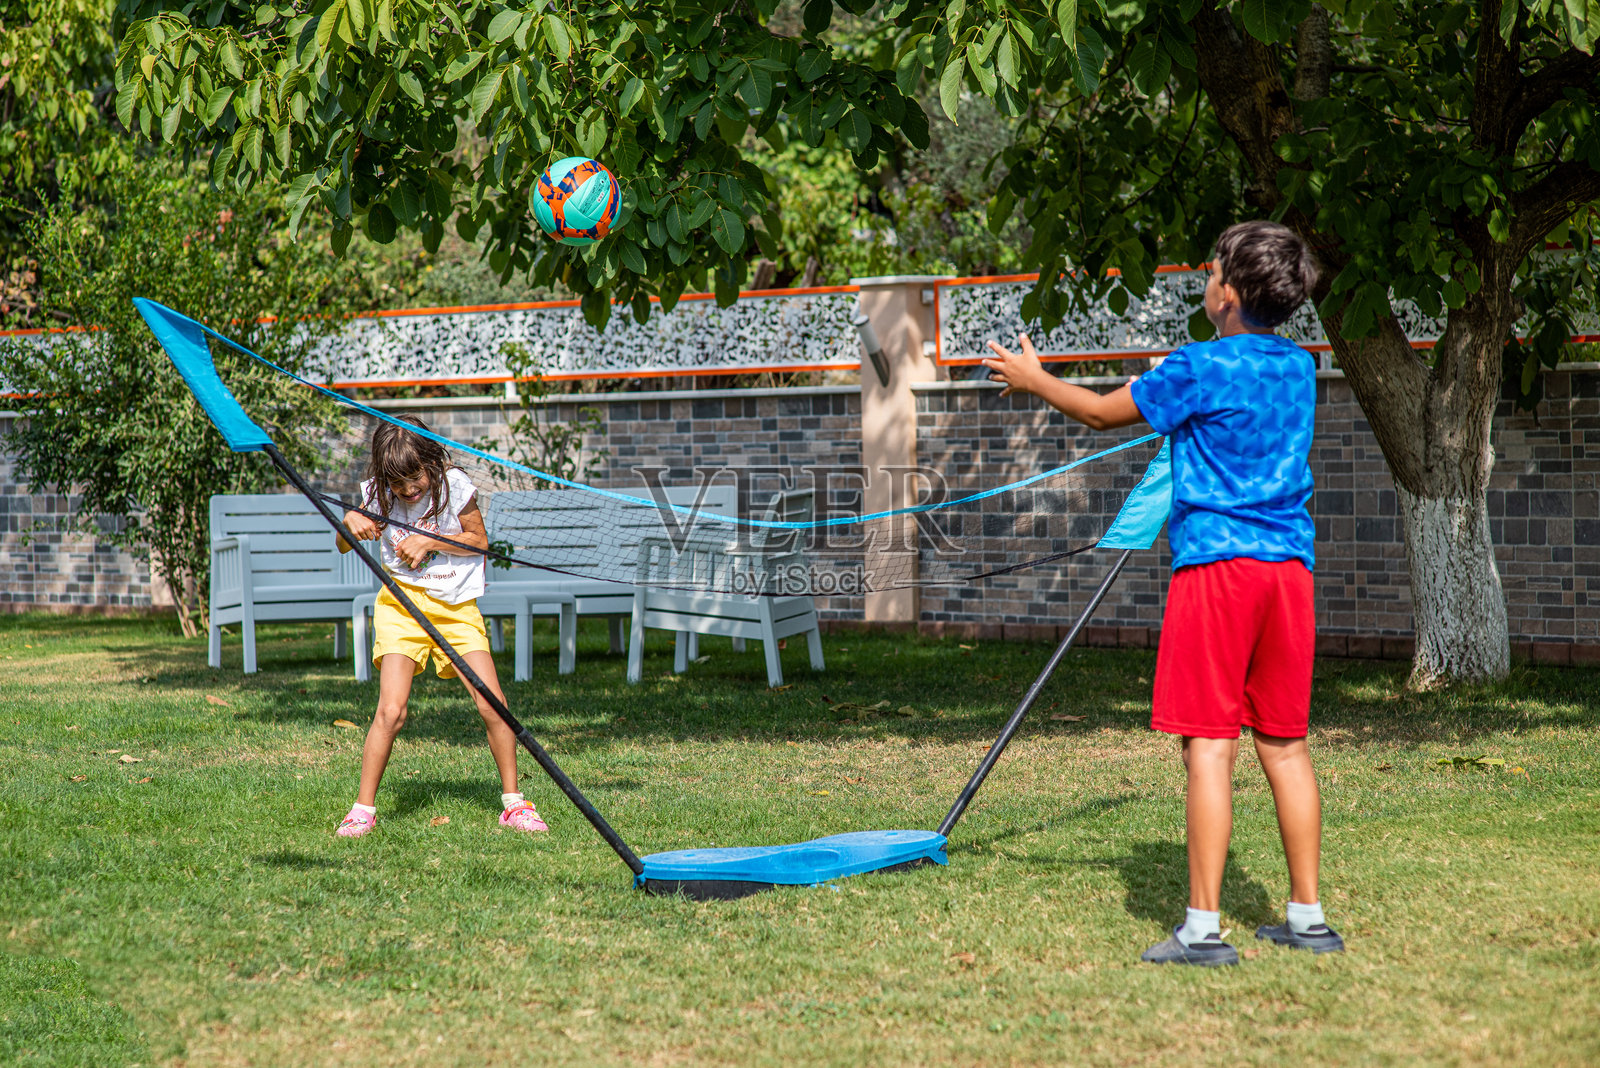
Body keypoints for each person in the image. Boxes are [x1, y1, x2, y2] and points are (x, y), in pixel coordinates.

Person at [982, 221, 1342, 966]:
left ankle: (1203, 931)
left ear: (1230, 295)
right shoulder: (1300, 367)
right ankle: (1308, 919)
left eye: (1210, 272)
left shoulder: (1198, 368)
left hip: (1217, 572)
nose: (1203, 281)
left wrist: (1033, 379)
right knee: (1285, 744)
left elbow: (1097, 412)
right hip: (1289, 574)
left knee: (1209, 747)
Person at [332, 414, 548, 839]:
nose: (409, 490)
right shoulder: (378, 493)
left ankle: (514, 803)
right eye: (399, 484)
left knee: (493, 704)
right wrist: (348, 524)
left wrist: (429, 540)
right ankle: (361, 810)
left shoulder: (454, 487)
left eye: (415, 479)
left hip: (455, 608)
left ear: (431, 462)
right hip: (401, 606)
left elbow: (479, 542)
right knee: (391, 712)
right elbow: (346, 543)